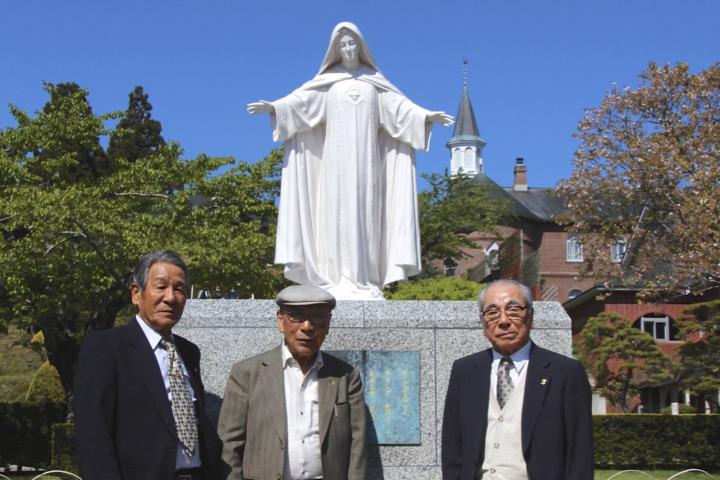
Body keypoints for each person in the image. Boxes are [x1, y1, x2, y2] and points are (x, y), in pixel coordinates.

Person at [248, 22, 453, 300]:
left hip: (368, 167)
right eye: (342, 44)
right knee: (333, 217)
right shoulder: (328, 83)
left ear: (360, 46)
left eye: (352, 43)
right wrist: (274, 108)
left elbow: (400, 110)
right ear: (335, 49)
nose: (347, 48)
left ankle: (365, 278)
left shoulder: (374, 83)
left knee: (367, 217)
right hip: (333, 166)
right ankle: (335, 278)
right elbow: (301, 105)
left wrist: (426, 117)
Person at [73, 251, 220, 480]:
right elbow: (94, 437)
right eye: (161, 287)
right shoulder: (106, 348)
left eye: (179, 289)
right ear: (136, 294)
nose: (170, 297)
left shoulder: (189, 353)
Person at [441, 279, 593, 480]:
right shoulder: (465, 370)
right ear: (483, 323)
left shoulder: (565, 372)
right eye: (493, 312)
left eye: (513, 309)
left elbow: (580, 453)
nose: (503, 321)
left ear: (530, 316)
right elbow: (453, 445)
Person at [217, 285, 367, 479]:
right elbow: (229, 445)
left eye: (317, 317)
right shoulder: (247, 373)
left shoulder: (345, 376)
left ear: (328, 324)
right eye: (296, 316)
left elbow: (358, 444)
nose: (307, 326)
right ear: (280, 321)